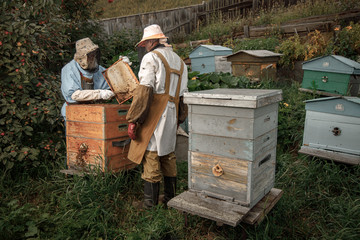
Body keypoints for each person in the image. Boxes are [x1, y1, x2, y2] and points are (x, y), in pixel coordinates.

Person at [126, 24, 188, 209]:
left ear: (152, 41)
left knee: (151, 154)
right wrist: (179, 119)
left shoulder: (151, 57)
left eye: (145, 43)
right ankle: (170, 199)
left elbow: (145, 90)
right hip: (173, 113)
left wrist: (134, 119)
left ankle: (149, 205)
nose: (144, 46)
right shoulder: (180, 61)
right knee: (168, 154)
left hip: (155, 114)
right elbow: (183, 96)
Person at [60, 37, 115, 121]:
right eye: (90, 55)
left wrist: (121, 67)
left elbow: (113, 84)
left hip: (94, 112)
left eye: (94, 54)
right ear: (83, 57)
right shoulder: (69, 69)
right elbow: (74, 95)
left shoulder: (99, 69)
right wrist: (99, 94)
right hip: (73, 112)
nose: (93, 57)